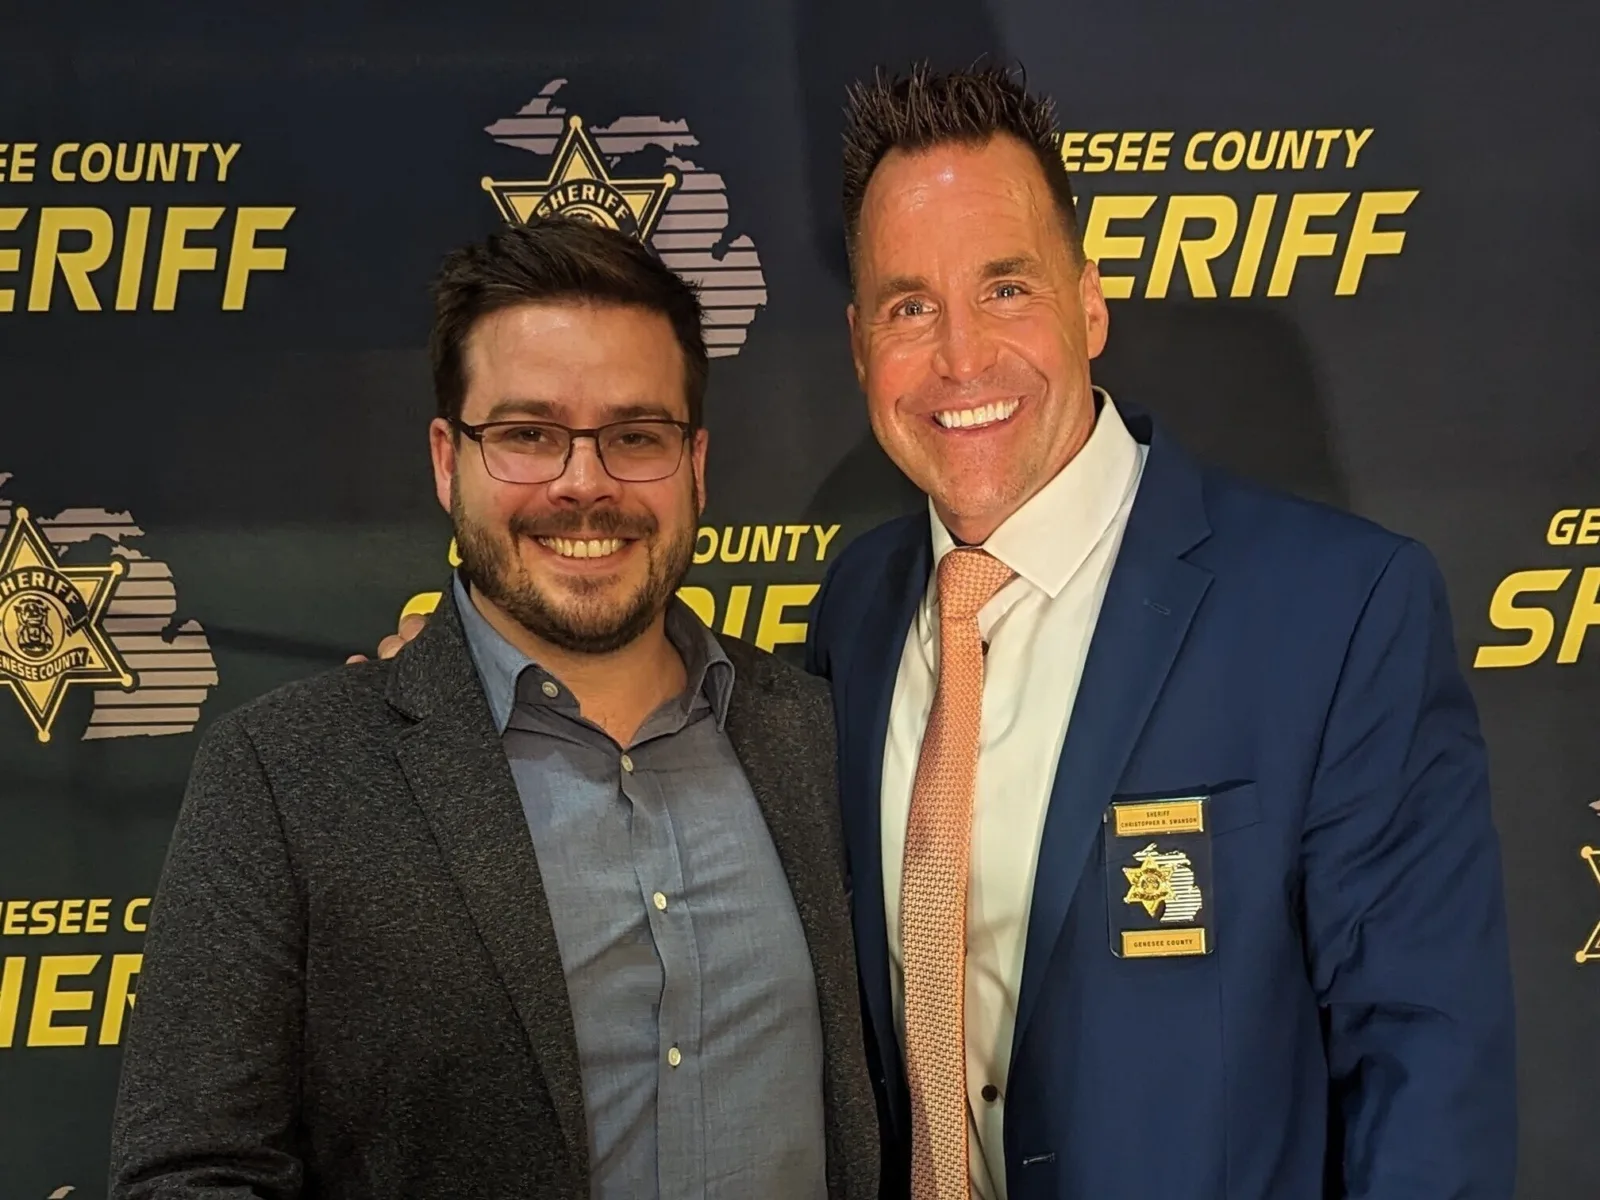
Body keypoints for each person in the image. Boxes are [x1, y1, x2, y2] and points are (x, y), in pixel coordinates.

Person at [365, 66, 1518, 1200]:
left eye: (1006, 288)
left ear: (1090, 301)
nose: (960, 357)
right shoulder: (856, 608)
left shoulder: (1339, 608)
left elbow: (1426, 1065)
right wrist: (467, 678)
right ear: (863, 343)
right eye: (912, 306)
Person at [107, 216, 879, 1200]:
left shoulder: (815, 738)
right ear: (446, 459)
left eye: (635, 435)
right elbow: (193, 1174)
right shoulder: (286, 773)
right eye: (527, 435)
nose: (584, 483)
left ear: (695, 465)